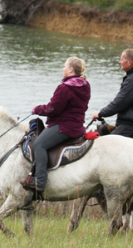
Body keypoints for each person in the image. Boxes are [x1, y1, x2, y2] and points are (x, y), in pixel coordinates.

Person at [21, 57, 91, 195]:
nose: (62, 69)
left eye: (65, 66)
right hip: (78, 126)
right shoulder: (85, 85)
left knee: (39, 144)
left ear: (71, 69)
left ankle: (39, 181)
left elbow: (53, 109)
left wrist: (37, 109)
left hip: (64, 126)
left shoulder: (65, 87)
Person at [91, 49, 133, 138]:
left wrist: (100, 114)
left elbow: (118, 103)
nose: (120, 62)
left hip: (131, 125)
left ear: (130, 62)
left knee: (108, 145)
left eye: (122, 59)